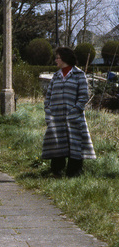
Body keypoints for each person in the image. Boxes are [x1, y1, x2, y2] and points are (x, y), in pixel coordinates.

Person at [42, 46, 96, 176]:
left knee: (75, 144)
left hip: (74, 118)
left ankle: (74, 172)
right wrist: (48, 112)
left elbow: (83, 97)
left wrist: (75, 111)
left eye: (58, 58)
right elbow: (48, 96)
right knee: (57, 144)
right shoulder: (55, 76)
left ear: (65, 59)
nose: (55, 60)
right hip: (56, 118)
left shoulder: (79, 75)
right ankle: (56, 171)